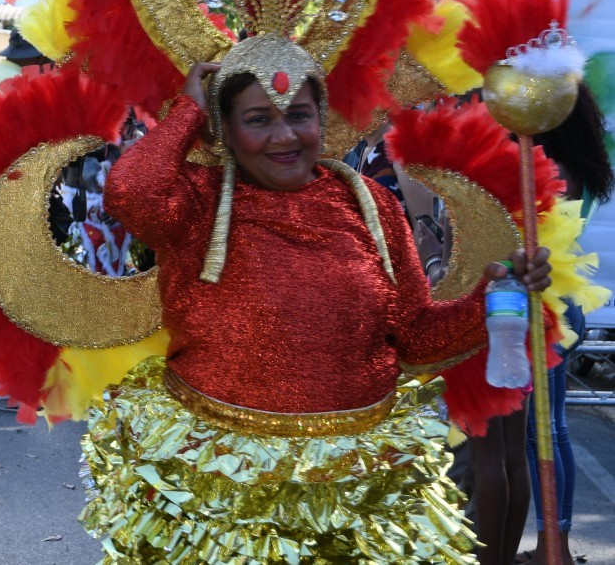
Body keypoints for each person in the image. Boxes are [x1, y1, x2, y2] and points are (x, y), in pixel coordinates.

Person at [83, 58, 551, 562]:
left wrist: (494, 299)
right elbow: (131, 191)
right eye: (259, 118)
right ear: (226, 131)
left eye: (299, 115)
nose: (284, 136)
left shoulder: (368, 203)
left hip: (361, 482)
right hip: (220, 480)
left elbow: (416, 339)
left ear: (321, 120)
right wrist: (189, 109)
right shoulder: (196, 200)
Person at [519, 83, 614, 564]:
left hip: (547, 304)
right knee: (543, 428)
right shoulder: (567, 162)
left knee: (547, 429)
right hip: (550, 301)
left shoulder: (550, 167)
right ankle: (550, 544)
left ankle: (552, 547)